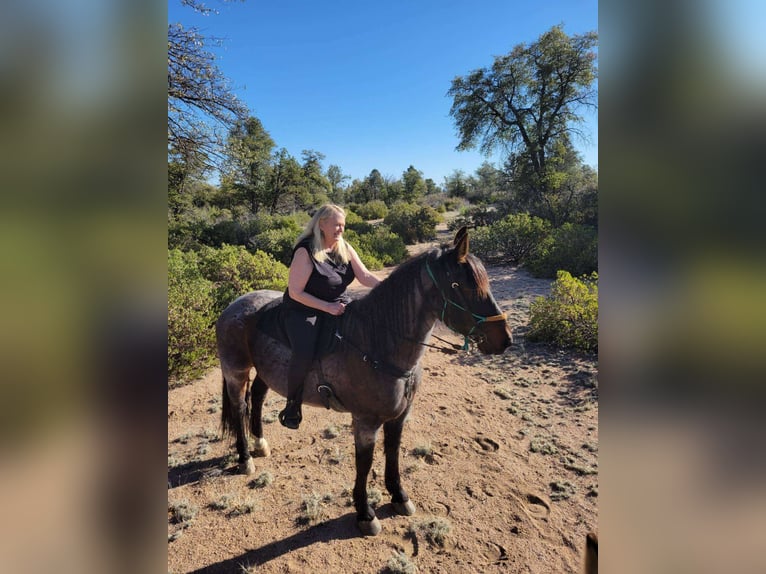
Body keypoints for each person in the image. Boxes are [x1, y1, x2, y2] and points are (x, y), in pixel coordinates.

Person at [278, 204, 381, 429]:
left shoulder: (344, 247)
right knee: (304, 351)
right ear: (321, 224)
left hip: (337, 304)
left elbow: (364, 275)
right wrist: (326, 307)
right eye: (336, 224)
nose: (340, 229)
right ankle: (292, 405)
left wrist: (389, 287)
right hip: (303, 309)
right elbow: (296, 292)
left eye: (343, 225)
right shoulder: (306, 251)